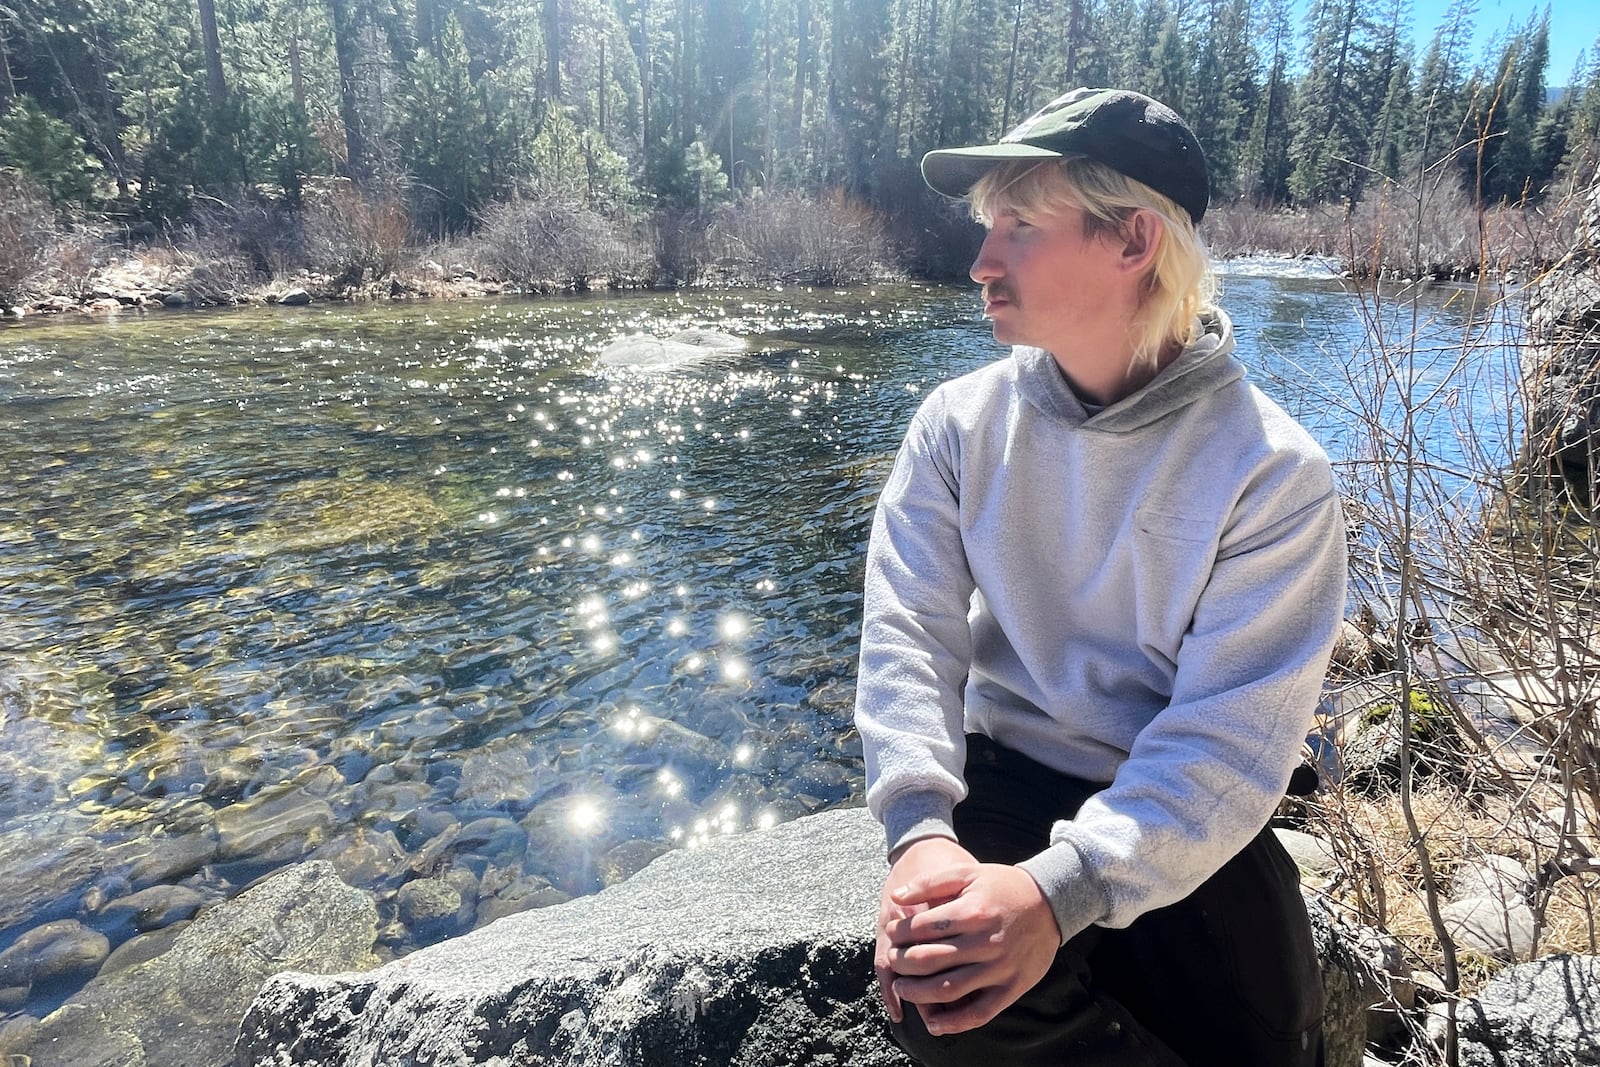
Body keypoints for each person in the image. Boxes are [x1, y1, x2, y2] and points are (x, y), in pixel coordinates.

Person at [853, 87, 1348, 1067]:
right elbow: (907, 632)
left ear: (1133, 243)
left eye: (1020, 227)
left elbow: (1224, 741)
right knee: (939, 993)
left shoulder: (1273, 473)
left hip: (1173, 794)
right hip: (1005, 777)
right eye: (989, 227)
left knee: (1263, 1042)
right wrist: (921, 835)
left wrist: (1057, 892)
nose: (981, 262)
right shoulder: (956, 424)